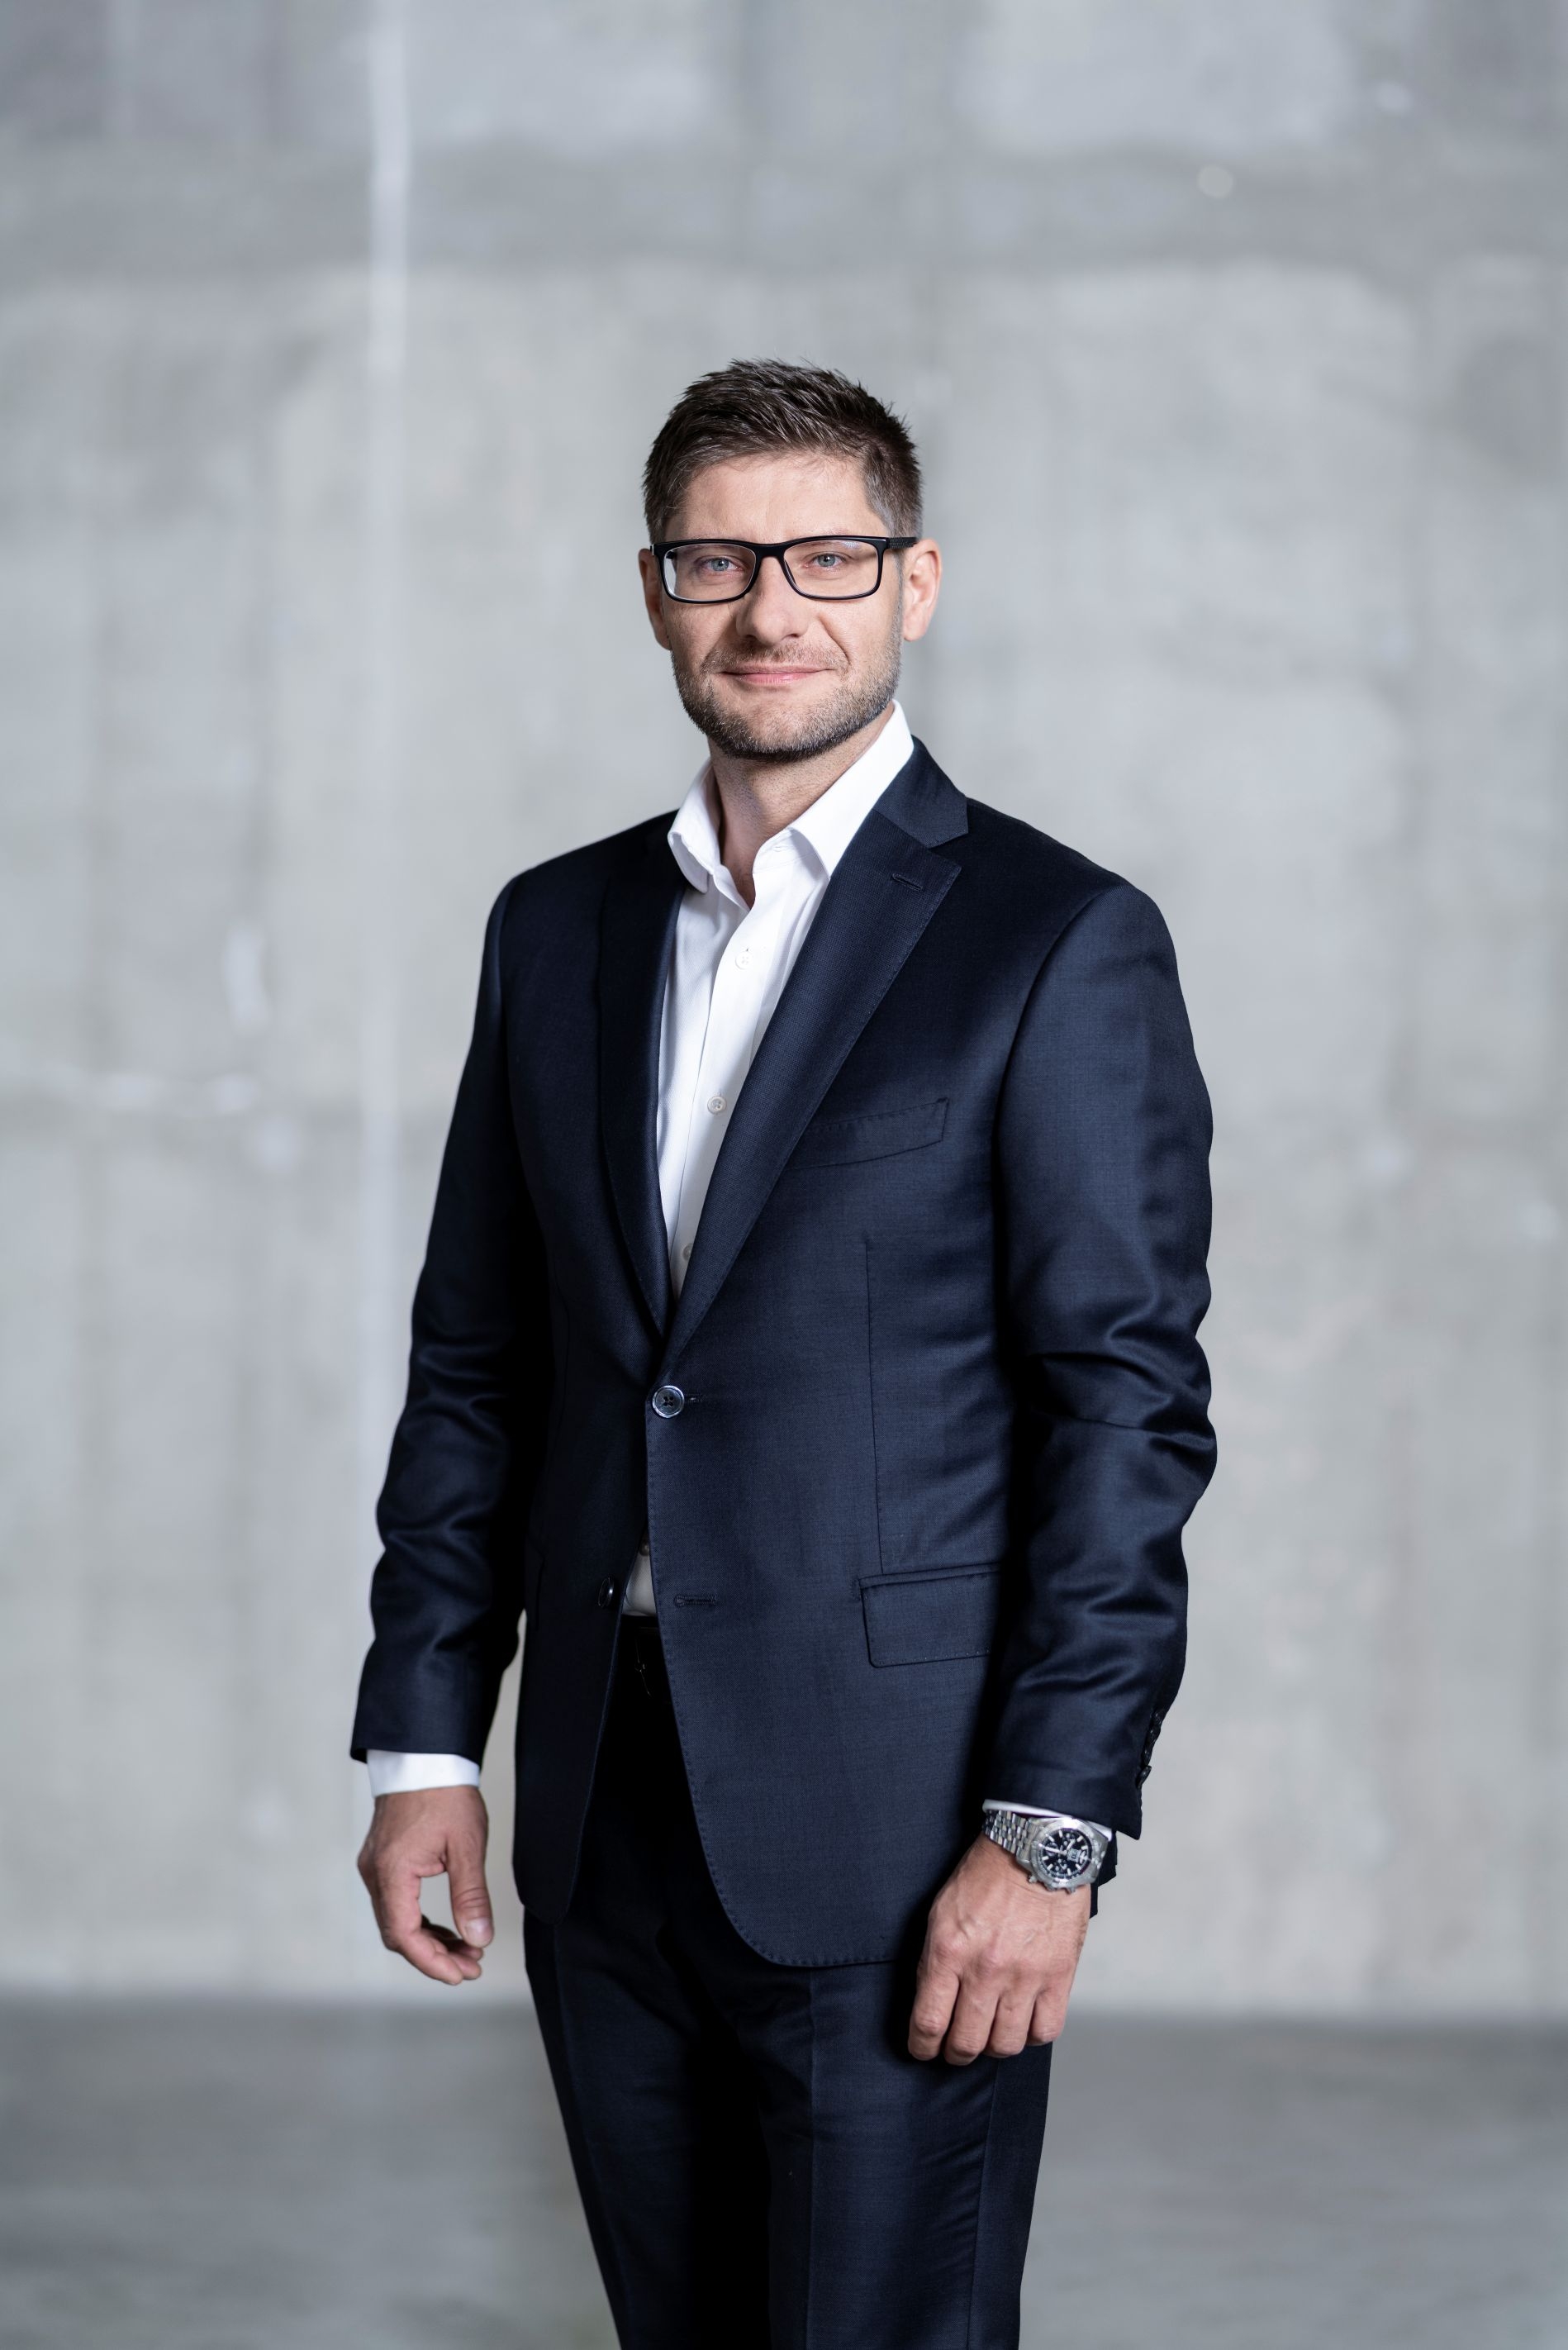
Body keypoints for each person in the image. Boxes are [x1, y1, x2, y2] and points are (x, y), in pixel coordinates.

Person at [352, 358, 1214, 2349]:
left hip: (903, 1820)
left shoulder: (1052, 939)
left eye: (826, 556)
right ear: (654, 592)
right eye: (716, 561)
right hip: (599, 1807)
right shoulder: (552, 930)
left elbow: (1122, 1413)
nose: (769, 609)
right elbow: (479, 1361)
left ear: (916, 582)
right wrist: (424, 1740)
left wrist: (1051, 1830)